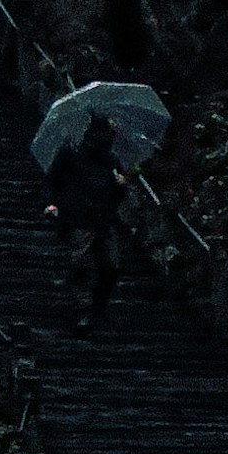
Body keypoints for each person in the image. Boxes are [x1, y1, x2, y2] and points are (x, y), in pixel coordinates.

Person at [34, 76, 167, 322]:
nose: (112, 136)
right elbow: (52, 181)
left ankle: (97, 306)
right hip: (78, 217)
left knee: (111, 266)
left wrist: (121, 186)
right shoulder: (72, 153)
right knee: (80, 266)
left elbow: (115, 196)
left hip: (103, 220)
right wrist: (51, 203)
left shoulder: (111, 161)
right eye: (109, 130)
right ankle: (82, 312)